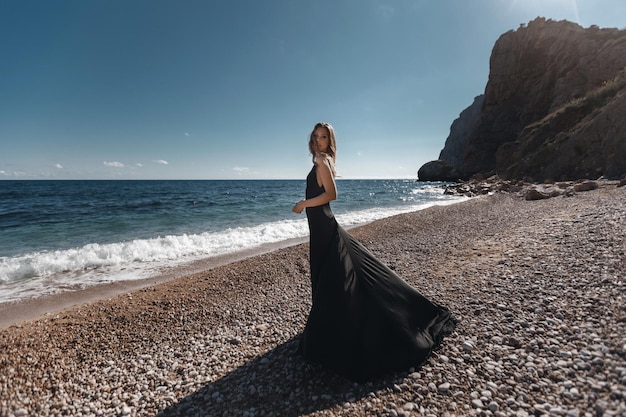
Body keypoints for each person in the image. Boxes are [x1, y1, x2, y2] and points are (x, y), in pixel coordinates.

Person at [292, 122, 456, 382]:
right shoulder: (320, 161)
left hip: (324, 225)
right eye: (316, 136)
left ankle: (347, 330)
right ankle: (333, 326)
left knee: (334, 273)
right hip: (320, 227)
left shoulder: (323, 163)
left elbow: (331, 195)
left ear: (329, 140)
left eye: (324, 137)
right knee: (330, 273)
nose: (319, 140)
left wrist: (304, 203)